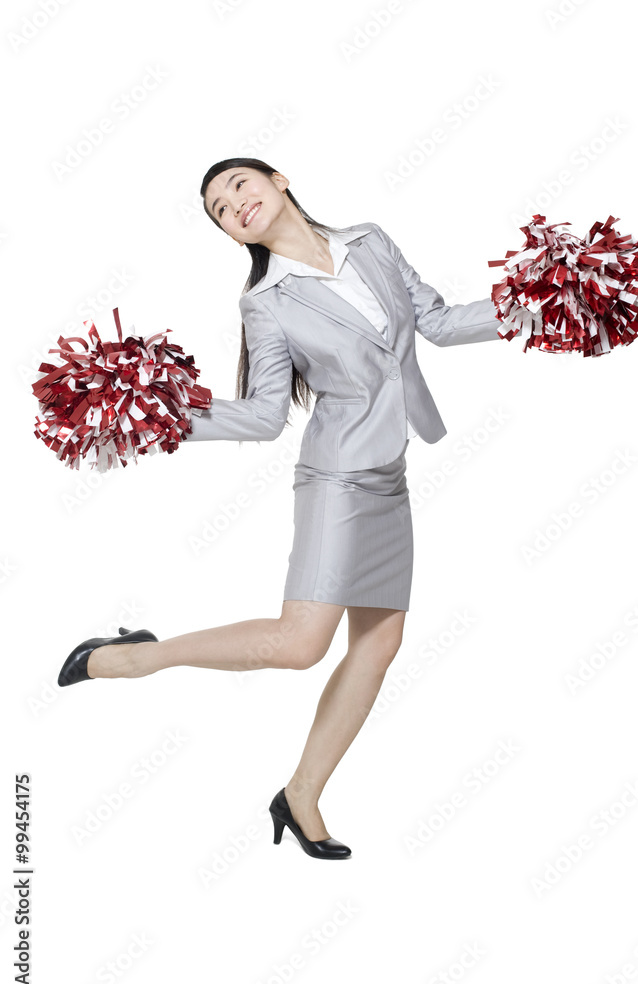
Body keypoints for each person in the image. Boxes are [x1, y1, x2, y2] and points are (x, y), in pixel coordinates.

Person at [58, 157, 505, 860]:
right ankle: (140, 656)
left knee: (379, 643)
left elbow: (440, 323)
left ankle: (300, 796)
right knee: (301, 645)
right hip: (335, 479)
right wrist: (159, 417)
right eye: (216, 208)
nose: (231, 202)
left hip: (388, 470)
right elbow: (266, 415)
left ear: (279, 180)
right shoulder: (265, 302)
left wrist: (537, 304)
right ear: (232, 236)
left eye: (238, 184)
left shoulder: (371, 241)